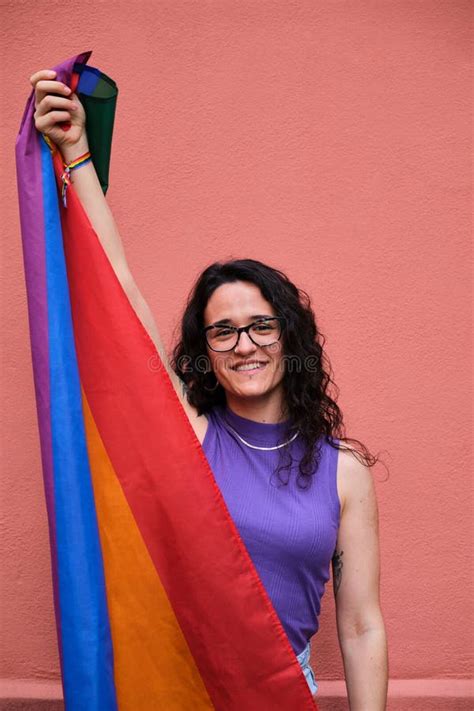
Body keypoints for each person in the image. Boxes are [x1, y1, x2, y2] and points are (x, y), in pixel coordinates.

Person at [30, 68, 389, 709]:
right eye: (222, 332)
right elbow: (123, 297)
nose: (244, 345)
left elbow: (361, 626)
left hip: (284, 690)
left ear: (290, 338)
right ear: (205, 352)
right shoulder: (188, 432)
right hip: (183, 690)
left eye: (260, 327)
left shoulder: (345, 473)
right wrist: (77, 154)